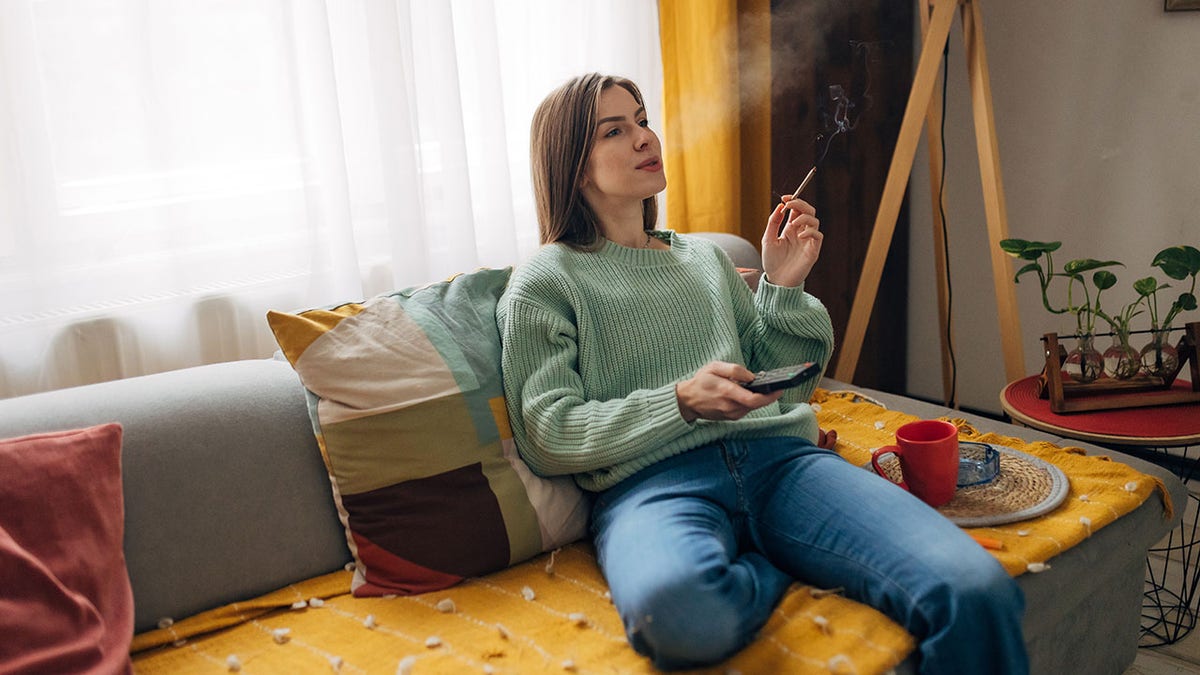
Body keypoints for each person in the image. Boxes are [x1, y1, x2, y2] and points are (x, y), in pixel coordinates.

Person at [497, 72, 1028, 674]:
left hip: (784, 465)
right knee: (679, 615)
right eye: (615, 130)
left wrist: (781, 284)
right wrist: (680, 401)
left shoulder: (704, 259)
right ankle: (778, 564)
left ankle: (782, 549)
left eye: (642, 119)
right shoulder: (543, 282)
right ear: (573, 167)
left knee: (974, 587)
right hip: (652, 489)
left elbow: (788, 384)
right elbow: (547, 433)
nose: (646, 138)